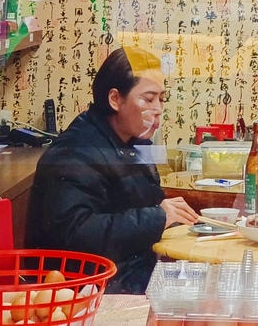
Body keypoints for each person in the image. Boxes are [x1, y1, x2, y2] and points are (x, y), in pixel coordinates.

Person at [25, 47, 198, 293]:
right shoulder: (76, 151)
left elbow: (150, 203)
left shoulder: (136, 142)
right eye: (148, 99)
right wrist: (158, 217)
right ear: (115, 99)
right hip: (84, 290)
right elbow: (74, 236)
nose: (158, 109)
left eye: (162, 99)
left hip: (131, 272)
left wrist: (171, 216)